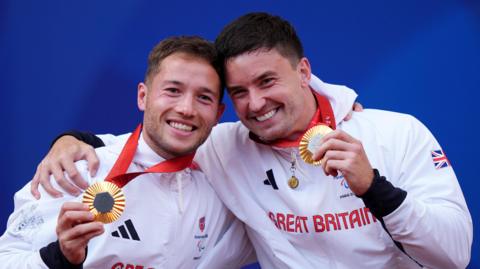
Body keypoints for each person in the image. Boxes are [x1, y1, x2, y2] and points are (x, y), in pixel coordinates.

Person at [30, 12, 472, 268]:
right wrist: (71, 139)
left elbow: (453, 254)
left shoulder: (394, 132)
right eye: (239, 92)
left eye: (267, 81)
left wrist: (374, 187)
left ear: (304, 72)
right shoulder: (226, 146)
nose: (255, 104)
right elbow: (159, 137)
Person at [0, 36, 255, 268]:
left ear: (218, 115)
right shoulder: (78, 169)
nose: (186, 109)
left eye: (204, 98)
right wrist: (60, 258)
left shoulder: (223, 182)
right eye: (173, 91)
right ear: (143, 96)